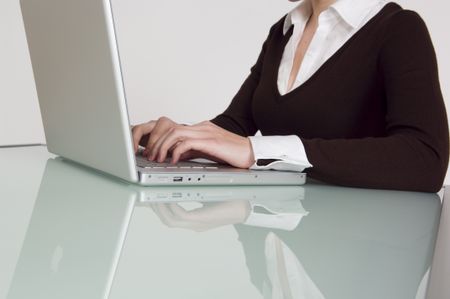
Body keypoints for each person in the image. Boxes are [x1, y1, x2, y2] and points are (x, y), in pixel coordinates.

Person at [132, 0, 449, 192]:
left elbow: (426, 159)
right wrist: (179, 139)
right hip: (284, 244)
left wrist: (259, 151)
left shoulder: (399, 28)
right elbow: (235, 126)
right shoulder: (282, 32)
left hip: (354, 255)